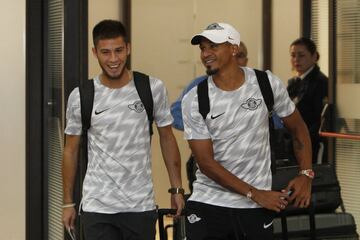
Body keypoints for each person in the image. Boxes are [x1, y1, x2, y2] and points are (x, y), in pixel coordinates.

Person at [182, 22, 313, 239]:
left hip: (256, 209)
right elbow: (206, 163)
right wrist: (254, 193)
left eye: (213, 46)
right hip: (209, 203)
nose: (206, 54)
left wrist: (306, 173)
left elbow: (298, 128)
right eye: (203, 48)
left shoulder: (266, 83)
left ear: (233, 48)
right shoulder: (195, 99)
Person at [62, 19, 184, 240]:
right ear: (94, 52)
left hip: (140, 206)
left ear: (128, 48)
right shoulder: (82, 96)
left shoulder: (151, 88)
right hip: (97, 207)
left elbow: (167, 138)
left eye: (118, 50)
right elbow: (70, 150)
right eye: (105, 52)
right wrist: (68, 202)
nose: (113, 59)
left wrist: (176, 189)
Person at [171, 41, 248, 192]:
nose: (236, 59)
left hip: (249, 166)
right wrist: (205, 130)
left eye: (240, 56)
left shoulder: (258, 85)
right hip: (208, 164)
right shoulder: (199, 85)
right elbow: (175, 113)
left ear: (246, 60)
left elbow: (277, 123)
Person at [287, 37, 328, 163]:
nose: (296, 60)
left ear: (314, 56)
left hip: (308, 144)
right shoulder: (294, 82)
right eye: (293, 55)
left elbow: (318, 118)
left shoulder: (320, 83)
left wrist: (301, 139)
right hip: (291, 142)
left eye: (301, 55)